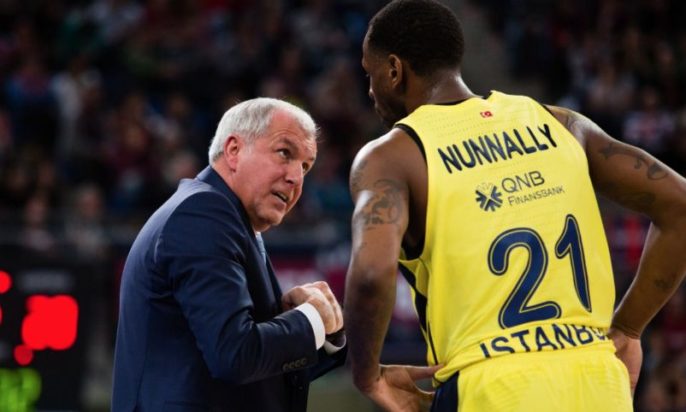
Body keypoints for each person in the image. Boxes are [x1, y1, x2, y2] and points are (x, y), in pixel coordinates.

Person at [343, 1, 686, 411]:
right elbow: (680, 205)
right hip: (597, 379)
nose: (370, 90)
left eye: (370, 74)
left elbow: (371, 273)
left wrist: (367, 373)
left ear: (394, 70)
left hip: (491, 386)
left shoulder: (391, 156)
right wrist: (628, 328)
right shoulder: (561, 124)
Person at [112, 97, 346, 412]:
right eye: (284, 153)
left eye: (305, 166)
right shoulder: (203, 213)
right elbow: (234, 354)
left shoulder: (230, 220)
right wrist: (310, 320)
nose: (296, 177)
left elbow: (259, 375)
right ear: (234, 150)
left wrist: (326, 332)